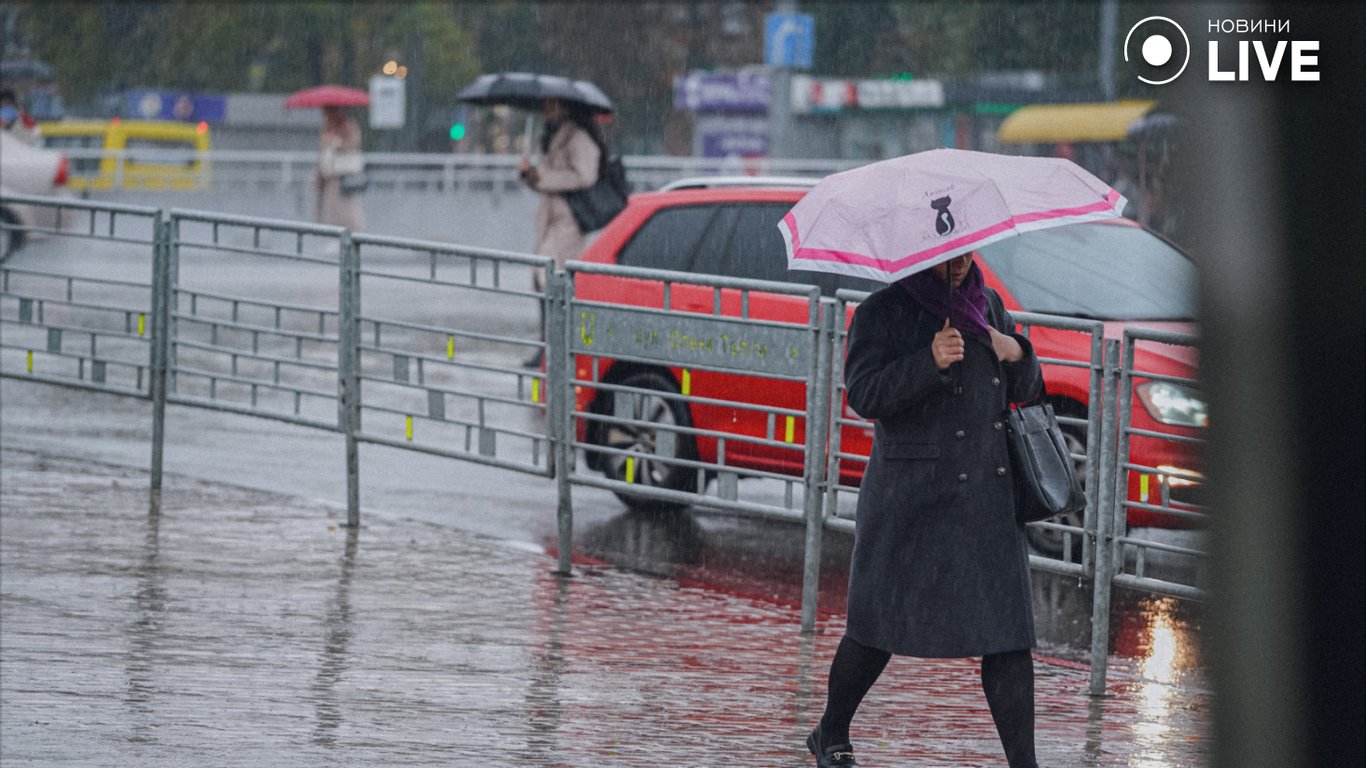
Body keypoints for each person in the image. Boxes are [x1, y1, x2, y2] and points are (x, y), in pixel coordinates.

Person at [807, 251, 1044, 768]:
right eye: (946, 256)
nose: (958, 263)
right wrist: (927, 362)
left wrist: (1014, 351)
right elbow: (864, 393)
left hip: (987, 496)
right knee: (876, 631)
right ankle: (831, 730)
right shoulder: (883, 311)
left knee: (1007, 639)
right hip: (911, 498)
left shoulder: (990, 307)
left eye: (966, 252)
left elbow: (1028, 389)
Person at [516, 97, 603, 367]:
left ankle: (557, 346)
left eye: (553, 105)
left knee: (551, 279)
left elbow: (585, 176)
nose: (547, 110)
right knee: (544, 278)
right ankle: (548, 345)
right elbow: (546, 181)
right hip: (550, 218)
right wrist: (531, 176)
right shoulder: (552, 135)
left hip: (569, 219)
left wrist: (545, 178)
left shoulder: (578, 138)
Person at [313, 105, 365, 231]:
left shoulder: (348, 126)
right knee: (330, 211)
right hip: (329, 177)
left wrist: (338, 144)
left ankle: (348, 234)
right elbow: (323, 154)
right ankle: (336, 235)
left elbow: (354, 144)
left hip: (343, 176)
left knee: (346, 209)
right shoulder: (326, 128)